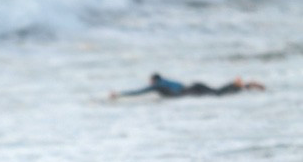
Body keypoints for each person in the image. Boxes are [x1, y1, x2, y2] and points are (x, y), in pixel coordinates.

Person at [110, 73, 265, 99]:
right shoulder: (168, 81)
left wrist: (121, 94)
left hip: (190, 90)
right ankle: (242, 85)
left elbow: (141, 91)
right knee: (217, 93)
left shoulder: (158, 85)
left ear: (153, 80)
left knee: (217, 94)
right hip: (193, 86)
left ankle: (237, 85)